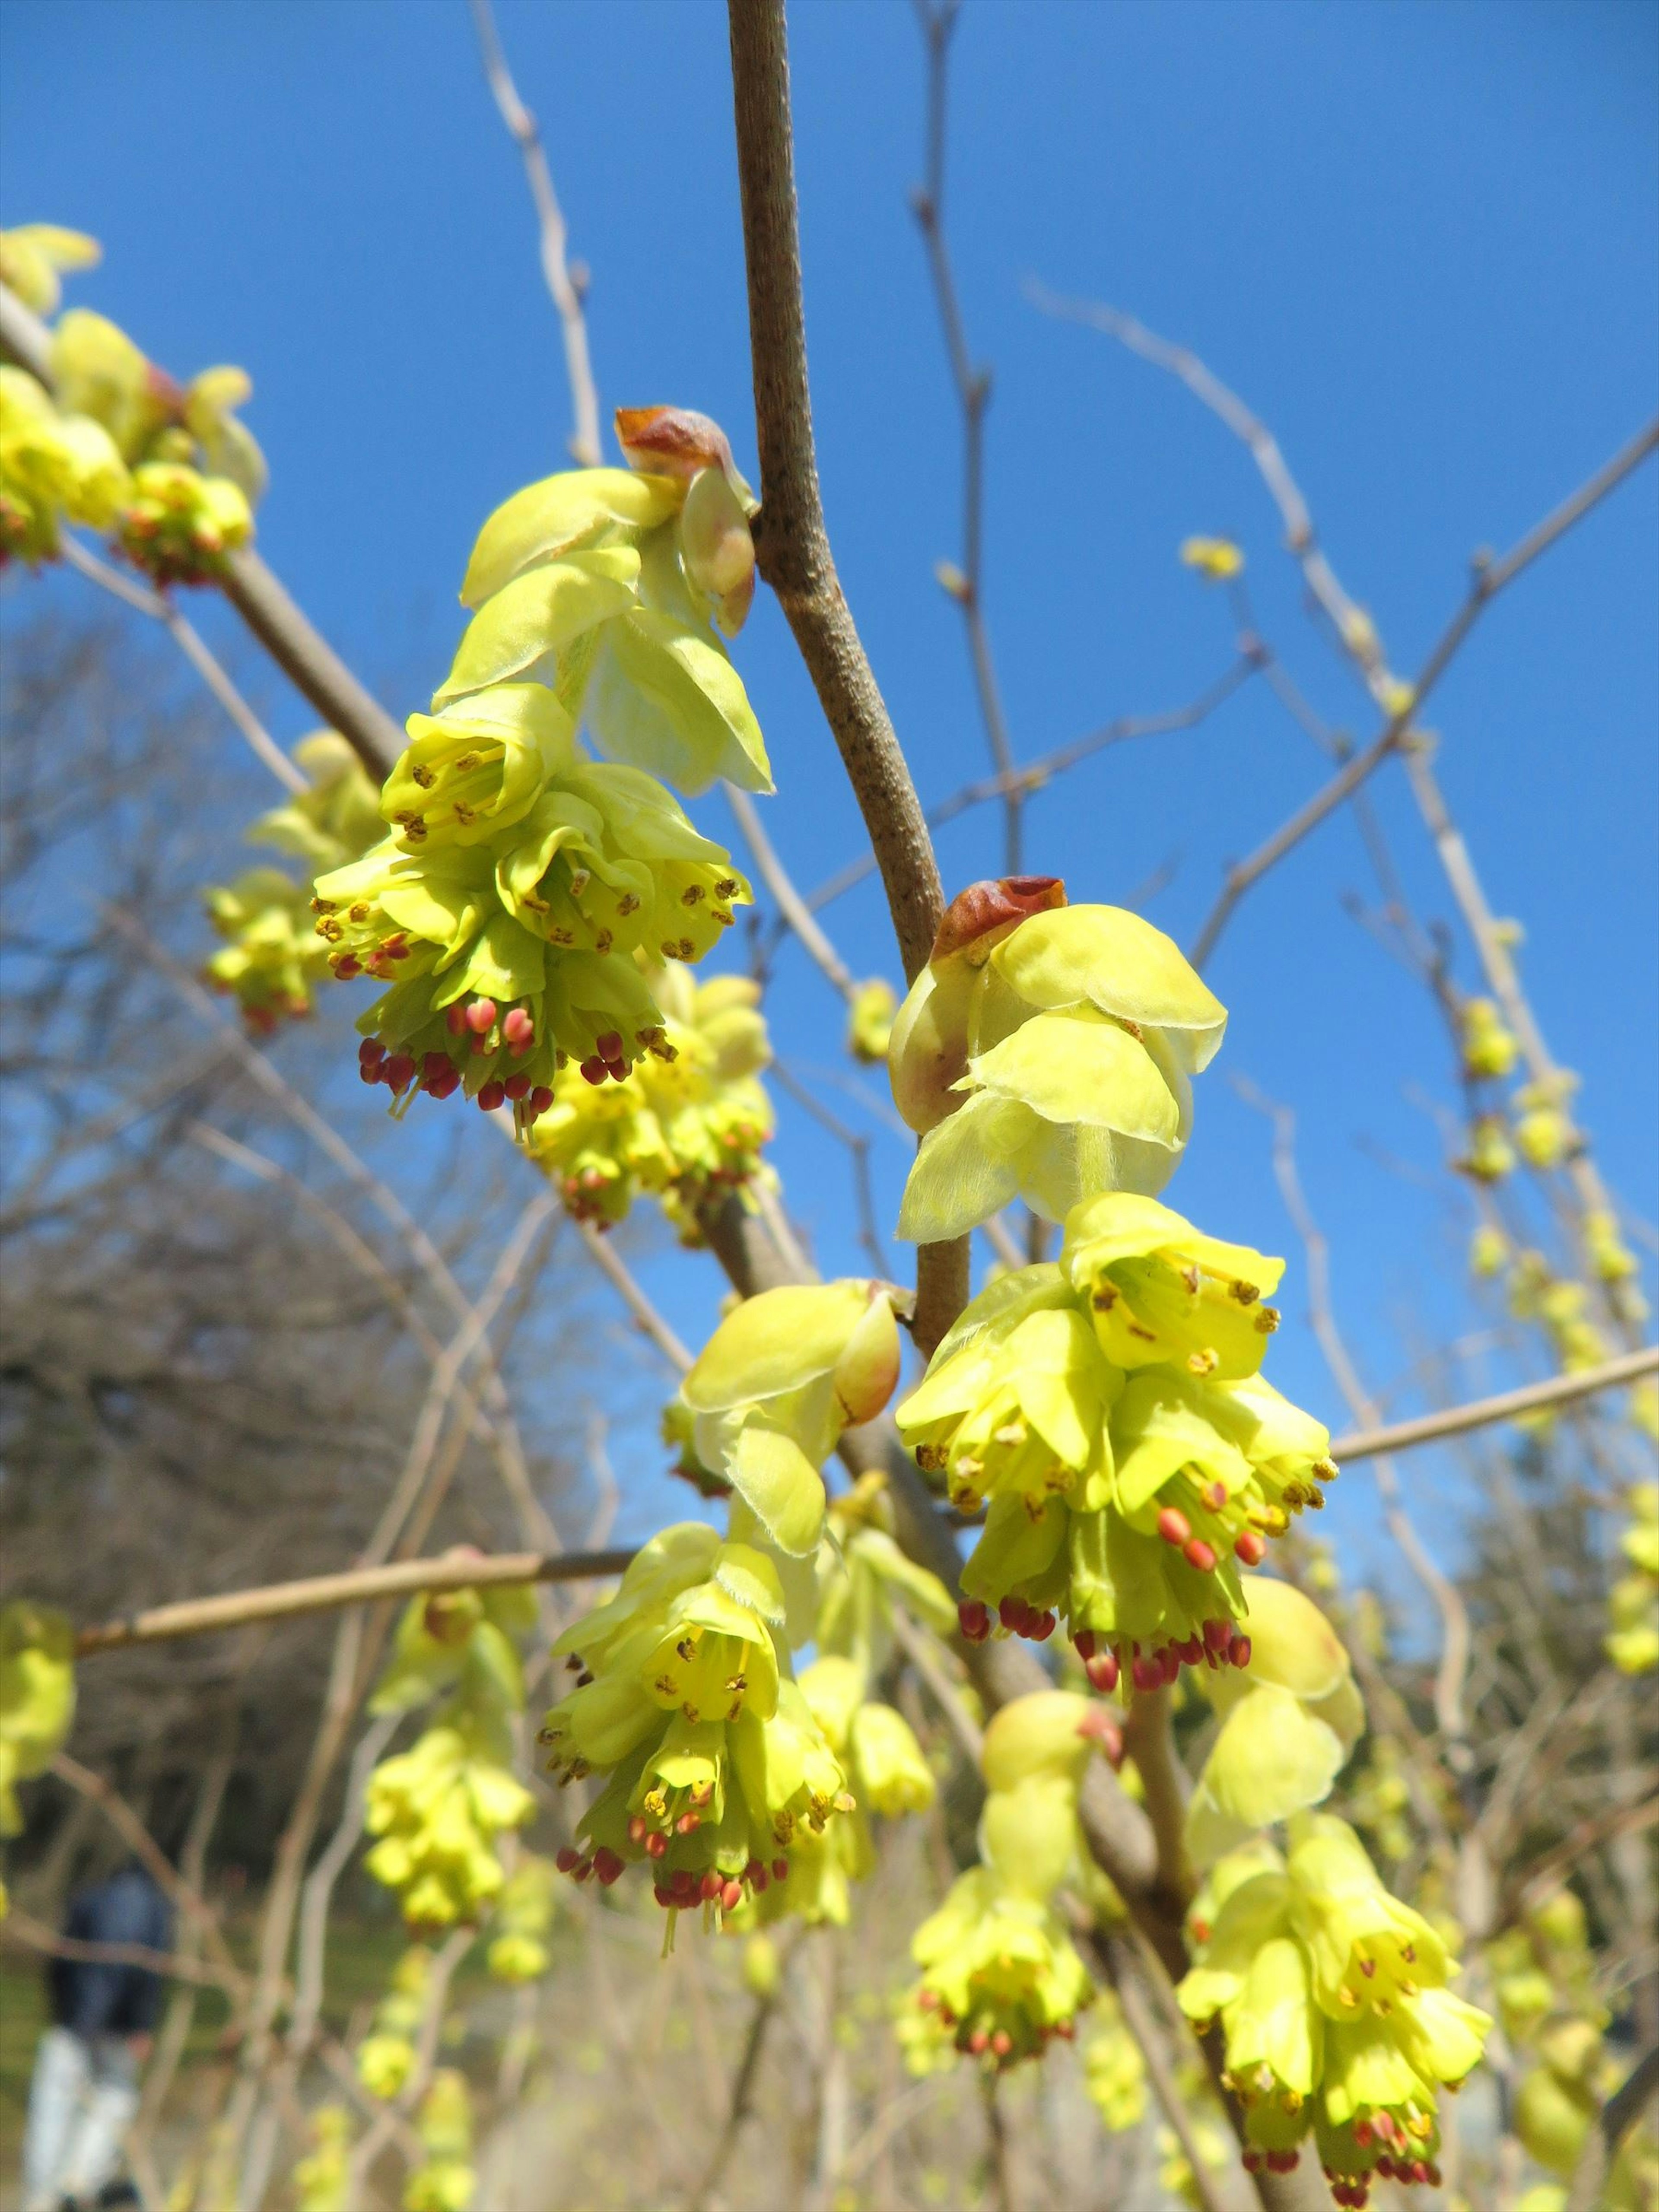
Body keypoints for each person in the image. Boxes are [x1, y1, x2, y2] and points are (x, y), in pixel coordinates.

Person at [21, 1860, 172, 2212]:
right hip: (119, 2029)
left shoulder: (89, 1897)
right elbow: (150, 1973)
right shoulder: (156, 1909)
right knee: (113, 2097)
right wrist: (142, 2025)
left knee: (53, 2103)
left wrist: (63, 2009)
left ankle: (41, 2193)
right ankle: (81, 2183)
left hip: (74, 2022)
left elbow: (59, 1960)